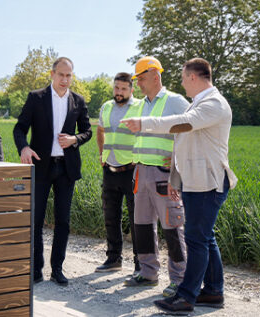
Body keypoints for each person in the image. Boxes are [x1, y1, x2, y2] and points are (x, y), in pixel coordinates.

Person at [122, 58, 238, 314]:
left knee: (196, 240)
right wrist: (176, 178)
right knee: (206, 239)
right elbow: (184, 145)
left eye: (185, 78)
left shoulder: (213, 104)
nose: (183, 84)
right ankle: (213, 292)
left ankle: (186, 296)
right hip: (197, 181)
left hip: (208, 183)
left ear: (195, 77)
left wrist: (144, 123)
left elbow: (184, 123)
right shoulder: (201, 102)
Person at [13, 57, 92, 286]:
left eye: (69, 75)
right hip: (40, 166)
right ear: (52, 74)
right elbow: (20, 128)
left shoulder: (78, 101)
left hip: (66, 169)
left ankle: (57, 269)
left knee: (63, 222)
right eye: (61, 75)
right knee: (36, 220)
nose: (65, 80)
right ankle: (36, 270)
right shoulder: (36, 98)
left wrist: (74, 139)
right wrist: (24, 147)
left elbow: (87, 131)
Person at [122, 56, 188, 298]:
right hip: (140, 172)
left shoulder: (175, 102)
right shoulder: (140, 105)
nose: (138, 83)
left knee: (172, 227)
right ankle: (148, 273)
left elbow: (192, 130)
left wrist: (180, 160)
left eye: (141, 78)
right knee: (142, 226)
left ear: (155, 75)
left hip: (165, 175)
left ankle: (180, 280)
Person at [94, 72, 141, 275]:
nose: (119, 92)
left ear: (131, 89)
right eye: (116, 88)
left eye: (123, 89)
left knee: (136, 218)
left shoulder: (139, 107)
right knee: (110, 216)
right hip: (110, 169)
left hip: (131, 170)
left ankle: (141, 264)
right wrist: (101, 154)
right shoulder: (107, 106)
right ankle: (114, 259)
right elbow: (100, 131)